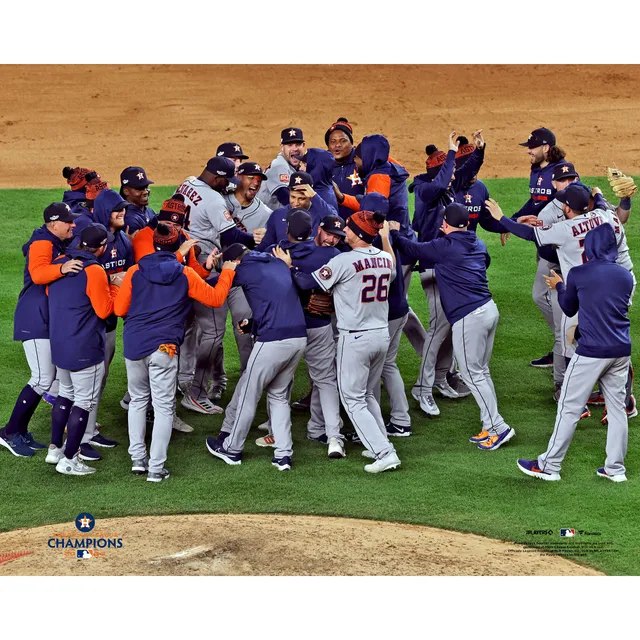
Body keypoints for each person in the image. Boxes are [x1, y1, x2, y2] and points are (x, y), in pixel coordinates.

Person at [487, 183, 632, 418]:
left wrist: (501, 218)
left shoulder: (565, 228)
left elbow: (529, 234)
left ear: (566, 208)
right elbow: (604, 204)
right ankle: (623, 400)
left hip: (581, 291)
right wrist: (599, 193)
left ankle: (573, 396)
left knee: (569, 340)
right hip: (611, 289)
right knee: (612, 338)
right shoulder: (605, 215)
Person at [281, 209, 402, 473]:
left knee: (352, 399)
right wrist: (385, 239)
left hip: (355, 337)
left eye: (348, 228)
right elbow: (390, 271)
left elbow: (304, 284)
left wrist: (289, 266)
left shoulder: (344, 261)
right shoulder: (384, 258)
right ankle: (377, 442)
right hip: (381, 335)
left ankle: (384, 452)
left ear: (359, 234)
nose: (344, 231)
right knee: (367, 394)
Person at [114, 223, 237, 482]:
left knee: (138, 400)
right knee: (162, 408)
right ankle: (156, 468)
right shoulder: (184, 274)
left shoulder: (135, 271)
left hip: (135, 344)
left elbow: (119, 309)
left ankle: (138, 460)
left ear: (154, 243)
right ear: (176, 246)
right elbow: (215, 299)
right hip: (164, 347)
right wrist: (227, 272)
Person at [390, 203, 515, 451]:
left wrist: (393, 232)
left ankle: (499, 428)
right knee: (481, 371)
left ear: (445, 224)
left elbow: (411, 247)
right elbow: (485, 262)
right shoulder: (477, 243)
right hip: (489, 310)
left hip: (470, 317)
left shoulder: (444, 246)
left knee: (472, 374)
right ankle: (489, 426)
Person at [517, 224, 633, 482]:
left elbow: (569, 308)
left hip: (592, 352)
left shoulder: (581, 273)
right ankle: (615, 470)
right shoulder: (626, 276)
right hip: (621, 351)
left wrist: (560, 286)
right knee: (616, 410)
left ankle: (549, 465)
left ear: (590, 247)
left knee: (568, 407)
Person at [205, 243, 307, 472]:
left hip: (272, 341)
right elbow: (275, 299)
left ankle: (232, 449)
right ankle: (283, 455)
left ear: (236, 261)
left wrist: (210, 268)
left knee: (248, 395)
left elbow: (210, 286)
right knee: (279, 397)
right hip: (299, 337)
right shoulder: (277, 262)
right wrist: (253, 323)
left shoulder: (243, 269)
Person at [408, 131, 486, 415]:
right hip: (432, 265)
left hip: (450, 265)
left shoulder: (446, 185)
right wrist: (451, 155)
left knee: (452, 323)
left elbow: (464, 172)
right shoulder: (426, 190)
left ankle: (441, 377)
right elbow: (446, 177)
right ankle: (422, 387)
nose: (455, 177)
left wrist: (478, 150)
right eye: (449, 172)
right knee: (439, 327)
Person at [175, 156, 259, 414]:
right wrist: (254, 240)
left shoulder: (187, 183)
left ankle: (189, 381)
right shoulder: (212, 199)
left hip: (187, 260)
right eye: (226, 181)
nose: (229, 186)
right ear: (216, 178)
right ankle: (196, 393)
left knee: (192, 328)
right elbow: (231, 236)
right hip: (206, 265)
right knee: (211, 334)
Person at [0, 203, 83, 458]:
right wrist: (62, 268)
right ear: (53, 224)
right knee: (41, 378)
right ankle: (10, 433)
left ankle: (20, 430)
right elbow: (37, 275)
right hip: (34, 319)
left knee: (45, 379)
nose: (73, 225)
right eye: (68, 222)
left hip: (44, 318)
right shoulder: (42, 244)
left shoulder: (53, 241)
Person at [260, 209, 344, 458]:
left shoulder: (275, 254)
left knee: (280, 384)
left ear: (287, 231)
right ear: (314, 230)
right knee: (326, 381)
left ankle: (276, 432)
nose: (331, 239)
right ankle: (332, 436)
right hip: (319, 326)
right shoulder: (334, 255)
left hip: (287, 328)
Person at [44, 224, 122, 476]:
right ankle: (70, 459)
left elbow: (49, 290)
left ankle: (54, 449)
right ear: (101, 248)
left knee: (65, 394)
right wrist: (114, 286)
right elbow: (104, 311)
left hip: (59, 341)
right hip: (84, 345)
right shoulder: (95, 270)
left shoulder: (60, 262)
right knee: (84, 401)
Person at [68, 189, 135, 460]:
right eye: (117, 209)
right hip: (86, 324)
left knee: (100, 379)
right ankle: (77, 437)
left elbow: (128, 273)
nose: (122, 213)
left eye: (124, 209)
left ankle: (88, 431)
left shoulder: (123, 241)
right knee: (78, 385)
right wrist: (112, 282)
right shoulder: (87, 245)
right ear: (105, 211)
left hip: (107, 322)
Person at [510, 127, 566, 366]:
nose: (528, 151)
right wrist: (512, 221)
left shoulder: (563, 173)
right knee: (545, 296)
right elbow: (534, 203)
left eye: (532, 147)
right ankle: (563, 343)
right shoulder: (536, 170)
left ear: (546, 148)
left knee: (549, 296)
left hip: (561, 248)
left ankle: (567, 342)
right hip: (544, 244)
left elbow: (571, 207)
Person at [255, 171, 338, 250]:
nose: (296, 203)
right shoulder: (278, 214)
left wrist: (315, 197)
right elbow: (266, 244)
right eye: (293, 197)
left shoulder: (320, 211)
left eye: (302, 198)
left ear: (310, 196)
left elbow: (335, 222)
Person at [325, 118, 365, 221]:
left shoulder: (361, 162)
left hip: (359, 226)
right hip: (332, 227)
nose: (337, 145)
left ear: (351, 144)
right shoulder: (323, 166)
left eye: (343, 141)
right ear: (328, 146)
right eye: (333, 142)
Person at [258, 127, 306, 210]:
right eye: (290, 145)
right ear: (282, 148)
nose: (294, 148)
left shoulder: (294, 167)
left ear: (303, 146)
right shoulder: (279, 165)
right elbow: (283, 195)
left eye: (298, 144)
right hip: (266, 219)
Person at [120, 166, 157, 233]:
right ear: (126, 191)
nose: (145, 192)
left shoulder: (148, 210)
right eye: (139, 189)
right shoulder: (129, 219)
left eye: (146, 187)